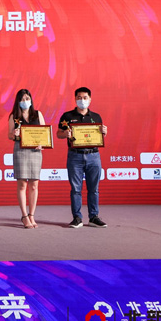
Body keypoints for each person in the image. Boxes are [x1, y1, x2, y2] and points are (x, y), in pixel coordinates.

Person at [57, 86, 108, 229]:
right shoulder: (67, 116)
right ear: (75, 99)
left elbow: (99, 135)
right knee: (75, 189)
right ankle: (77, 218)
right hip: (75, 156)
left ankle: (94, 217)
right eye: (79, 98)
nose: (82, 100)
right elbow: (58, 133)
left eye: (85, 97)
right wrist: (65, 134)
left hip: (93, 155)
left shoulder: (96, 117)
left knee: (94, 189)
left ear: (90, 99)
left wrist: (104, 132)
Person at [7, 89, 44, 229]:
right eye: (22, 99)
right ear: (18, 101)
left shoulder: (38, 114)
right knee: (22, 184)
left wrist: (42, 143)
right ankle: (24, 215)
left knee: (34, 185)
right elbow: (9, 135)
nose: (25, 101)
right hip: (20, 151)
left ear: (31, 100)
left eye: (27, 98)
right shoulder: (14, 116)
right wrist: (14, 134)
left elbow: (44, 133)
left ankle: (32, 214)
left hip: (35, 152)